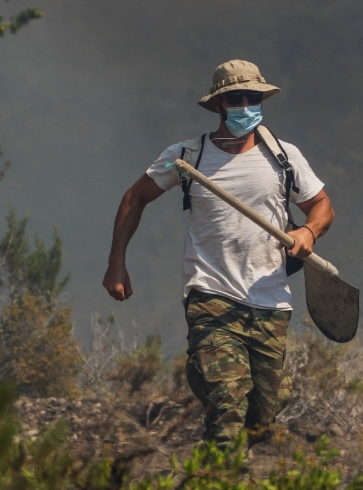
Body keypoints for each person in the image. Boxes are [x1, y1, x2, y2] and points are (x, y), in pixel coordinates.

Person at [104, 59, 334, 444]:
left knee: (261, 421)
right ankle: (212, 489)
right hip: (211, 295)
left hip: (270, 301)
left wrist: (309, 232)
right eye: (235, 98)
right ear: (218, 105)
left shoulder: (284, 157)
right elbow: (134, 197)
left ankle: (204, 375)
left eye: (252, 97)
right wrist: (116, 264)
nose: (246, 105)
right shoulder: (187, 157)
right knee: (227, 407)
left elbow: (322, 206)